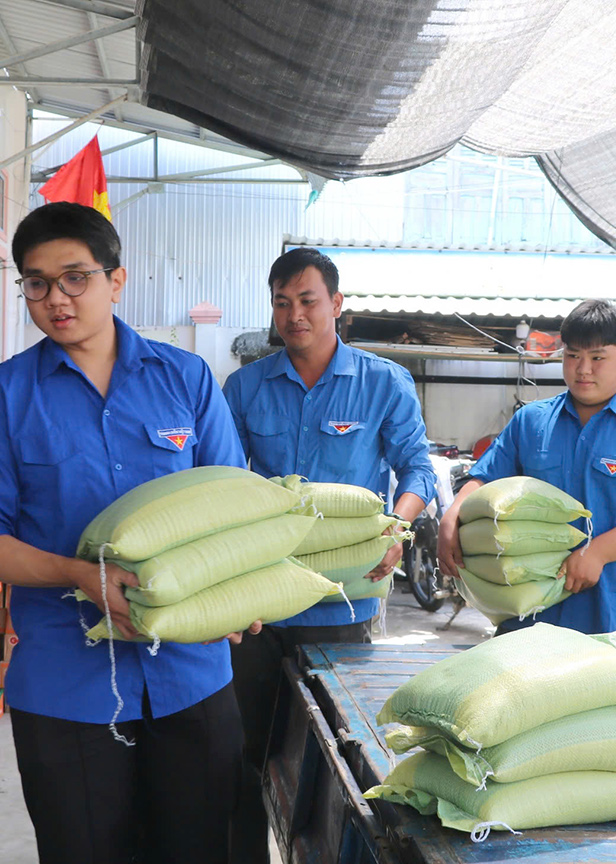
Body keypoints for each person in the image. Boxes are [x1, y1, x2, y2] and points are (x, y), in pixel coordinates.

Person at [0, 202, 250, 864]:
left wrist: (238, 594)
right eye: (36, 282)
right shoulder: (0, 398)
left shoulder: (186, 379)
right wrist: (78, 574)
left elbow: (231, 506)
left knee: (204, 849)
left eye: (75, 277)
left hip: (191, 674)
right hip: (65, 685)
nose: (56, 299)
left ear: (117, 279)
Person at [221, 247, 436, 864]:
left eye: (308, 300)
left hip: (344, 600)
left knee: (341, 754)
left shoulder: (382, 382)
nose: (295, 315)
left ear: (337, 305)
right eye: (282, 303)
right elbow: (227, 481)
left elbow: (416, 466)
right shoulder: (245, 386)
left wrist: (401, 523)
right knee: (250, 749)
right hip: (258, 603)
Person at [436, 299, 616, 635]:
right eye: (572, 356)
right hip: (527, 610)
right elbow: (485, 479)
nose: (583, 369)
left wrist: (596, 553)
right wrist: (453, 513)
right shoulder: (531, 421)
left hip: (610, 609)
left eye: (597, 357)